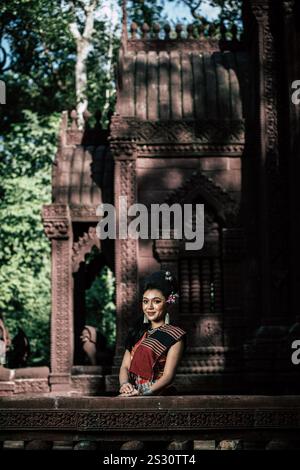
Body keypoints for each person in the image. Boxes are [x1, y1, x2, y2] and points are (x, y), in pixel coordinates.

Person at [118, 270, 186, 397]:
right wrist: (124, 385)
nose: (149, 307)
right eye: (145, 301)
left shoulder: (174, 336)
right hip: (133, 393)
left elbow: (168, 376)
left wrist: (143, 393)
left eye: (156, 301)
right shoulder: (137, 332)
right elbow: (124, 367)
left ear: (167, 302)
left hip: (157, 395)